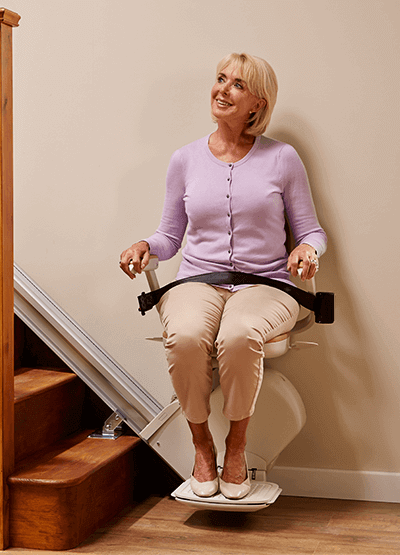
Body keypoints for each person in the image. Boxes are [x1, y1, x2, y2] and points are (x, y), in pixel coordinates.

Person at [119, 53, 327, 500]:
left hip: (267, 283)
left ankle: (236, 445)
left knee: (239, 335)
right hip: (197, 279)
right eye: (220, 79)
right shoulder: (185, 160)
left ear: (257, 104)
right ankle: (201, 444)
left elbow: (310, 230)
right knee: (187, 335)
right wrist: (144, 247)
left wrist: (307, 249)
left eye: (237, 84)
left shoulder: (283, 159)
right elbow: (169, 237)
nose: (223, 89)